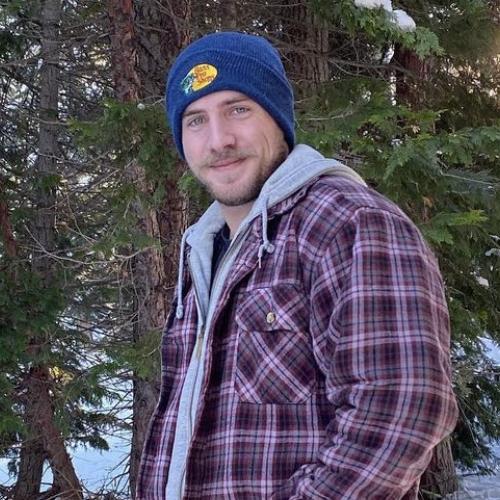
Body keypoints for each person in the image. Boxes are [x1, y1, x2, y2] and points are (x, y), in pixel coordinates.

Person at [136, 31, 458, 500]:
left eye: (238, 109)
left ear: (278, 117)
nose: (218, 140)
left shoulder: (349, 221)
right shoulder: (204, 251)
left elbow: (399, 410)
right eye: (196, 120)